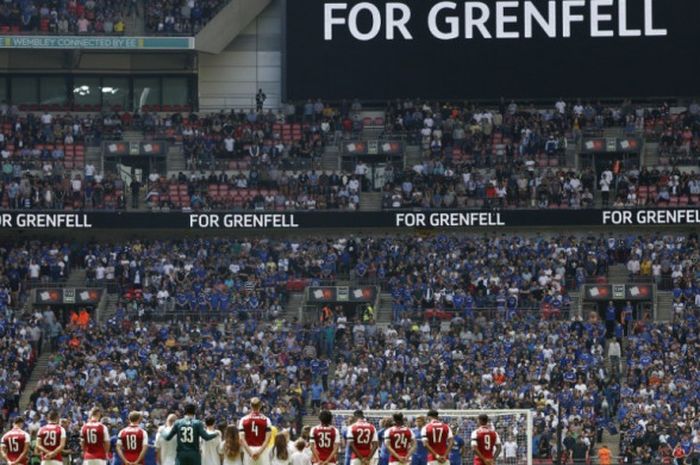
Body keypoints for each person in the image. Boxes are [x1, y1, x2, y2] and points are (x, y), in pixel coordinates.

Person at [239, 398, 272, 465]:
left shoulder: (243, 419)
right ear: (260, 406)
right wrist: (259, 452)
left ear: (250, 406)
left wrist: (251, 453)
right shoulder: (266, 420)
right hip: (262, 451)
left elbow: (242, 439)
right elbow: (267, 439)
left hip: (249, 451)